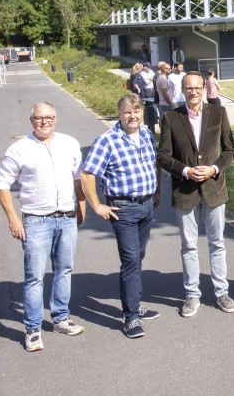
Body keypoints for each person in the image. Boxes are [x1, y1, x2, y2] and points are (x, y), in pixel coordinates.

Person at [0, 102, 85, 352]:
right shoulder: (19, 149)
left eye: (49, 117)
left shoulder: (70, 143)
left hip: (66, 217)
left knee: (64, 270)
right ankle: (33, 329)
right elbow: (2, 185)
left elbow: (78, 177)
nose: (44, 122)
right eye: (39, 118)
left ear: (56, 118)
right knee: (34, 277)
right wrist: (13, 219)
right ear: (31, 120)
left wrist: (82, 204)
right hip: (36, 221)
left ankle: (60, 318)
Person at [80, 93, 161, 339]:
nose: (133, 116)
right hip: (123, 209)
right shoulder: (107, 140)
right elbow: (87, 174)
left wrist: (157, 191)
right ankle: (131, 317)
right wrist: (96, 206)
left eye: (136, 111)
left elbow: (155, 163)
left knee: (138, 257)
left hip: (146, 206)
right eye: (127, 112)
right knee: (130, 261)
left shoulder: (147, 135)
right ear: (120, 114)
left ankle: (135, 304)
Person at [157, 71, 234, 317]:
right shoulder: (171, 118)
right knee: (189, 246)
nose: (193, 92)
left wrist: (213, 168)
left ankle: (221, 292)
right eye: (188, 88)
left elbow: (229, 150)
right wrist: (186, 170)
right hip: (185, 191)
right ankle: (192, 294)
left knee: (217, 243)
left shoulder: (218, 113)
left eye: (197, 87)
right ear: (182, 89)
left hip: (214, 189)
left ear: (204, 88)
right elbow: (163, 156)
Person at [134, 61, 158, 133]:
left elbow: (154, 77)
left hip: (153, 90)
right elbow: (147, 82)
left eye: (149, 67)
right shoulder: (142, 73)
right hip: (147, 91)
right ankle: (150, 126)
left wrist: (151, 79)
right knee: (149, 107)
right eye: (147, 67)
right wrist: (151, 79)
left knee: (153, 106)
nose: (149, 68)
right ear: (144, 67)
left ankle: (153, 122)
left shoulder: (150, 71)